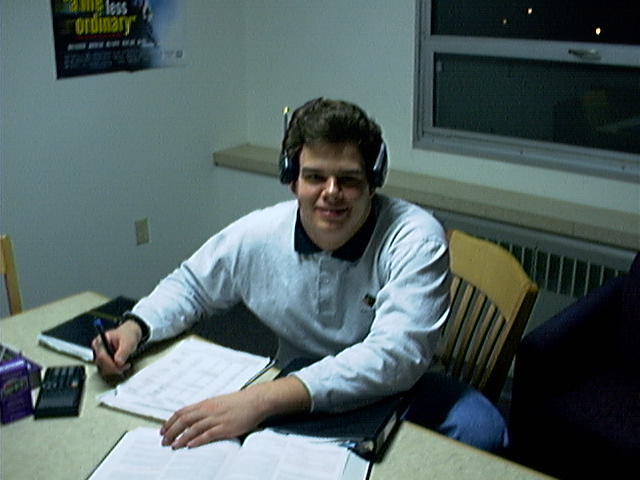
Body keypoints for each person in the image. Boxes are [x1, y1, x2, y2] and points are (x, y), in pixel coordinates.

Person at [93, 98, 508, 453]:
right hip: (296, 382)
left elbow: (397, 356)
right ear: (291, 180)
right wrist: (135, 327)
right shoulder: (261, 232)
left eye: (349, 180)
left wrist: (261, 400)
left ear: (373, 183)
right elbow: (191, 286)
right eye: (315, 177)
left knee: (483, 428)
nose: (331, 192)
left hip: (396, 388)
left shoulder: (414, 238)